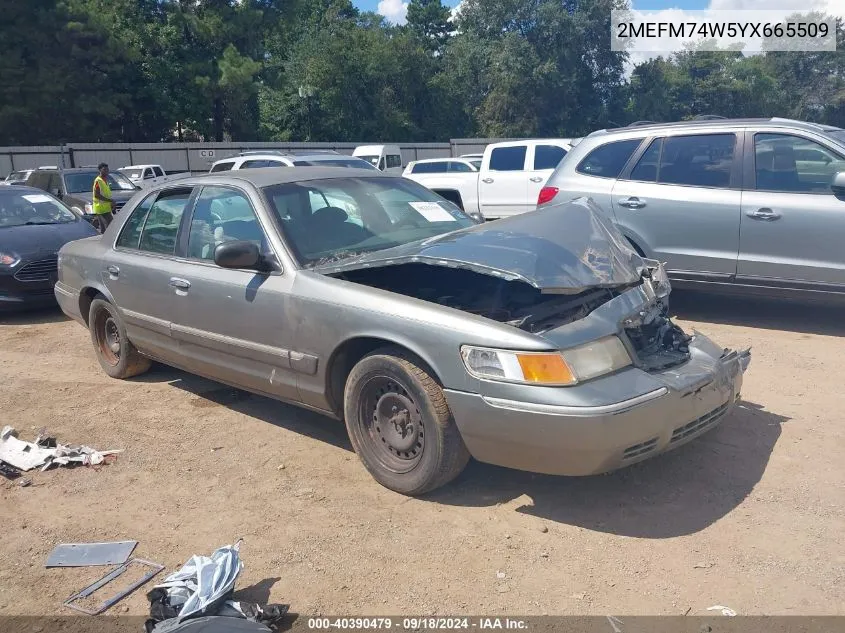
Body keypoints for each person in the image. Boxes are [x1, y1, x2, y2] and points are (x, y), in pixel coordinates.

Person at [92, 162, 115, 233]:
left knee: (104, 228)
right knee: (109, 227)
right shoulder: (98, 180)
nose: (107, 171)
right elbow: (97, 195)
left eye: (107, 169)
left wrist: (111, 203)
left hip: (106, 208)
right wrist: (110, 200)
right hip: (101, 209)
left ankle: (101, 241)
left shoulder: (104, 180)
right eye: (104, 169)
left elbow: (106, 194)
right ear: (100, 170)